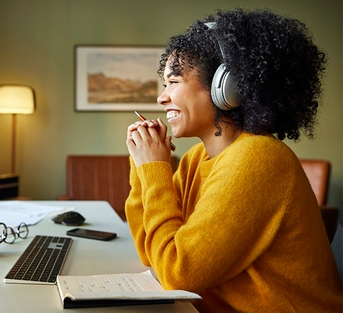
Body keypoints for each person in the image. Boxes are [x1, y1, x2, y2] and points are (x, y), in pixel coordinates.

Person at [125, 8, 342, 312]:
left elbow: (178, 273)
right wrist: (142, 167)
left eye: (174, 82)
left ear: (226, 87)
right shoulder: (195, 159)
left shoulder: (258, 157)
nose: (162, 97)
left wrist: (155, 169)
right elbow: (152, 251)